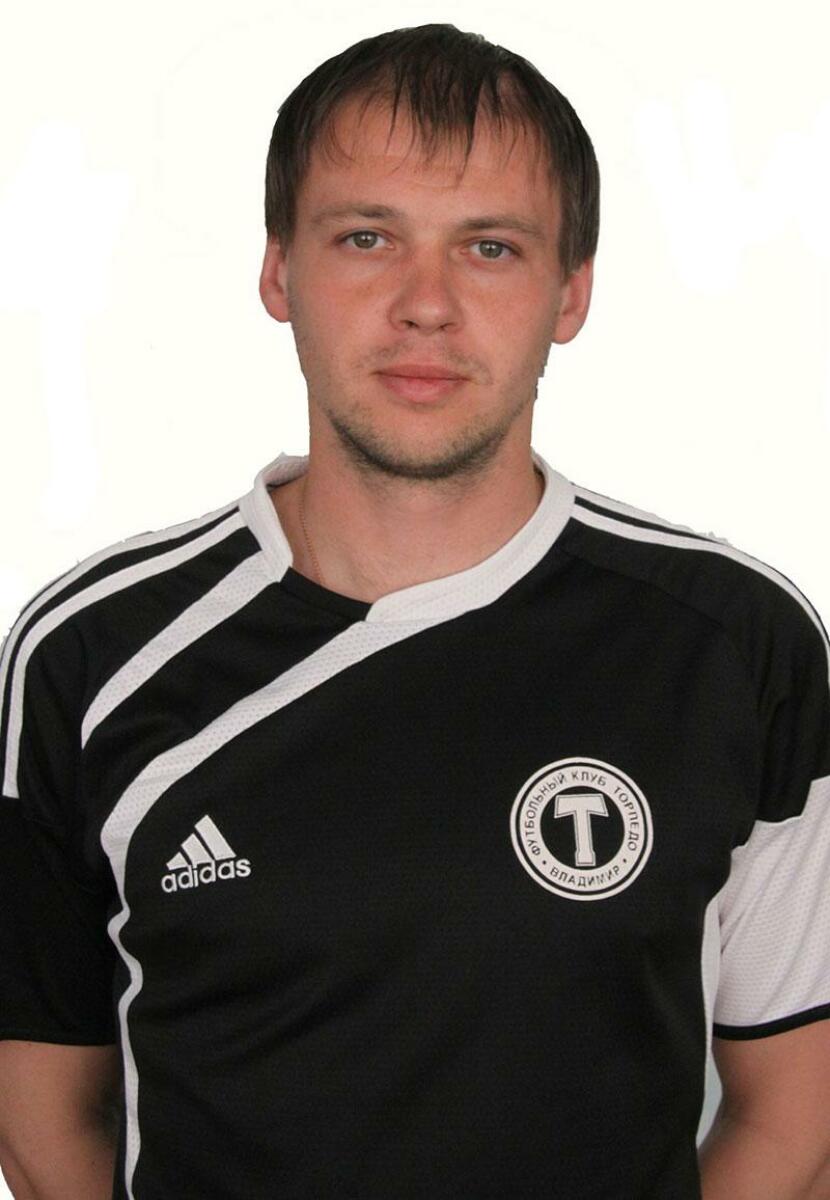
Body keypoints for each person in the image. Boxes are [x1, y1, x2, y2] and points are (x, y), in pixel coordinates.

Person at [0, 21, 828, 1200]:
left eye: (488, 247)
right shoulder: (88, 654)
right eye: (365, 237)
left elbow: (797, 1120)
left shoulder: (736, 649)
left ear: (569, 293)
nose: (424, 304)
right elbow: (38, 1121)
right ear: (279, 272)